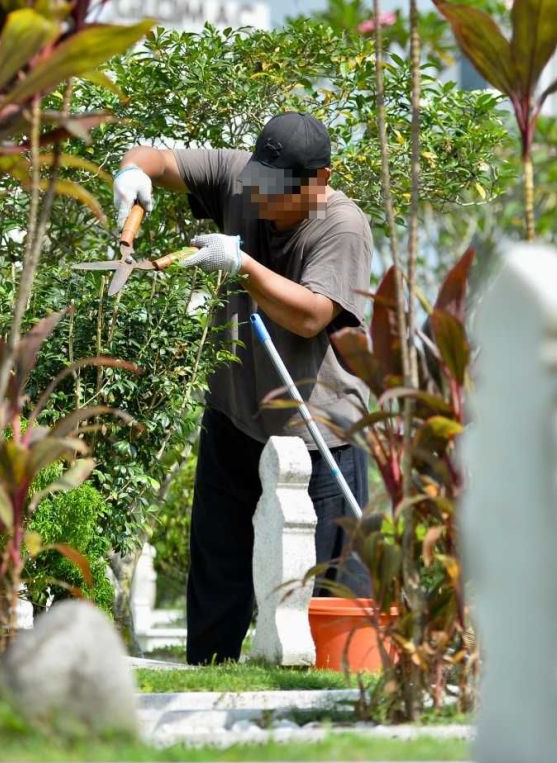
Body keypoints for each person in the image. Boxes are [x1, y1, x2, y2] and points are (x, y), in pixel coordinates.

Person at [113, 112, 373, 665]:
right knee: (218, 580)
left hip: (320, 434)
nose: (261, 198)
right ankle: (208, 675)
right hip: (235, 418)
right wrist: (133, 174)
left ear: (320, 181)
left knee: (328, 596)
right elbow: (158, 159)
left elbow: (311, 316)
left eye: (278, 192)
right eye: (259, 183)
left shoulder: (342, 226)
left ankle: (331, 704)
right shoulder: (242, 178)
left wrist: (241, 264)